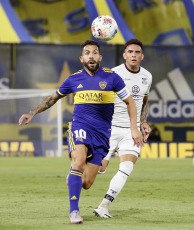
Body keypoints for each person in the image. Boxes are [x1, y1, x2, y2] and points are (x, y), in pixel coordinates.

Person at [18, 40, 143, 224]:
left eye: (94, 53)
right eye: (87, 53)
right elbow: (52, 99)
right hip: (79, 128)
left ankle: (74, 178)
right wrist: (32, 112)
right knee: (78, 163)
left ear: (100, 57)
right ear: (81, 58)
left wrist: (134, 127)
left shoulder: (112, 78)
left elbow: (130, 102)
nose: (91, 56)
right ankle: (74, 211)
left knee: (86, 183)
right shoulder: (74, 79)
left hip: (101, 134)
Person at [93, 38, 152, 218]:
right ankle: (77, 169)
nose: (134, 55)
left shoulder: (147, 76)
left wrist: (142, 122)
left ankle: (104, 205)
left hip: (131, 131)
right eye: (130, 52)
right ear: (124, 54)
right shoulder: (113, 74)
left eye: (137, 52)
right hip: (110, 129)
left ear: (142, 55)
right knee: (98, 170)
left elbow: (143, 101)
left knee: (127, 167)